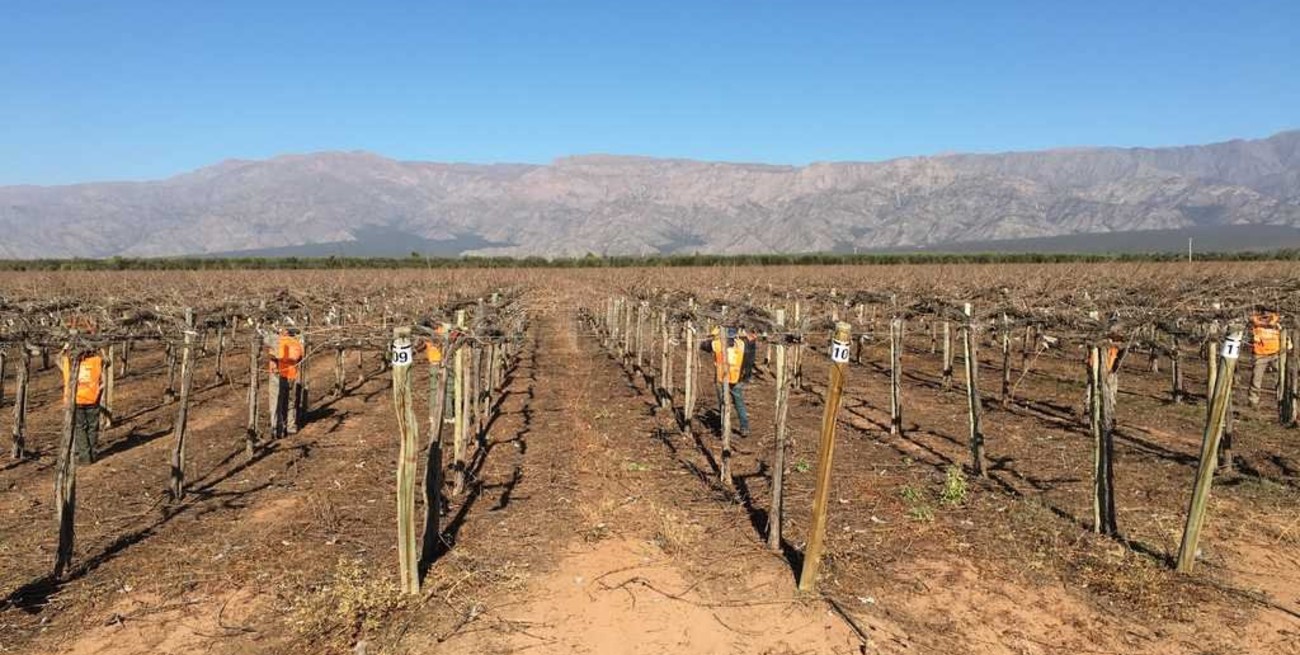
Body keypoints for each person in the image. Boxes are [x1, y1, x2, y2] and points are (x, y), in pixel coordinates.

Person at [702, 326, 757, 437]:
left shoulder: (717, 344)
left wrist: (713, 334)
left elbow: (704, 345)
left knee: (723, 404)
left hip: (721, 379)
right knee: (739, 403)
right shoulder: (741, 344)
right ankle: (744, 427)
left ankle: (724, 428)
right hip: (737, 378)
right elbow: (750, 349)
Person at [60, 342, 105, 465]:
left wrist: (66, 346)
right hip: (93, 399)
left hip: (76, 399)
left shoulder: (69, 363)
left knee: (80, 428)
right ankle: (93, 455)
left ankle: (85, 457)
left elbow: (60, 356)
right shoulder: (96, 361)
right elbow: (105, 359)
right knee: (92, 428)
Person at [268, 326, 305, 437]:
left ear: (285, 332)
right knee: (290, 402)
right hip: (292, 376)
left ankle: (277, 429)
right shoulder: (297, 344)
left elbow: (272, 355)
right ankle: (290, 426)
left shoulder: (278, 341)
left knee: (276, 403)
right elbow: (300, 358)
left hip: (277, 375)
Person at [1248, 309, 1282, 407]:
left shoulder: (1276, 321)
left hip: (1275, 353)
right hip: (1260, 355)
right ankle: (1253, 401)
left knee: (1280, 377)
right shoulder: (1254, 321)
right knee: (1256, 378)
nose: (1266, 314)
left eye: (1269, 311)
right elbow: (1251, 321)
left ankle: (1281, 398)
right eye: (1264, 312)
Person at [426, 323, 455, 423]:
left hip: (433, 364)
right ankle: (448, 415)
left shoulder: (428, 334)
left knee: (434, 390)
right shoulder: (443, 331)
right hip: (444, 363)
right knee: (448, 388)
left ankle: (433, 415)